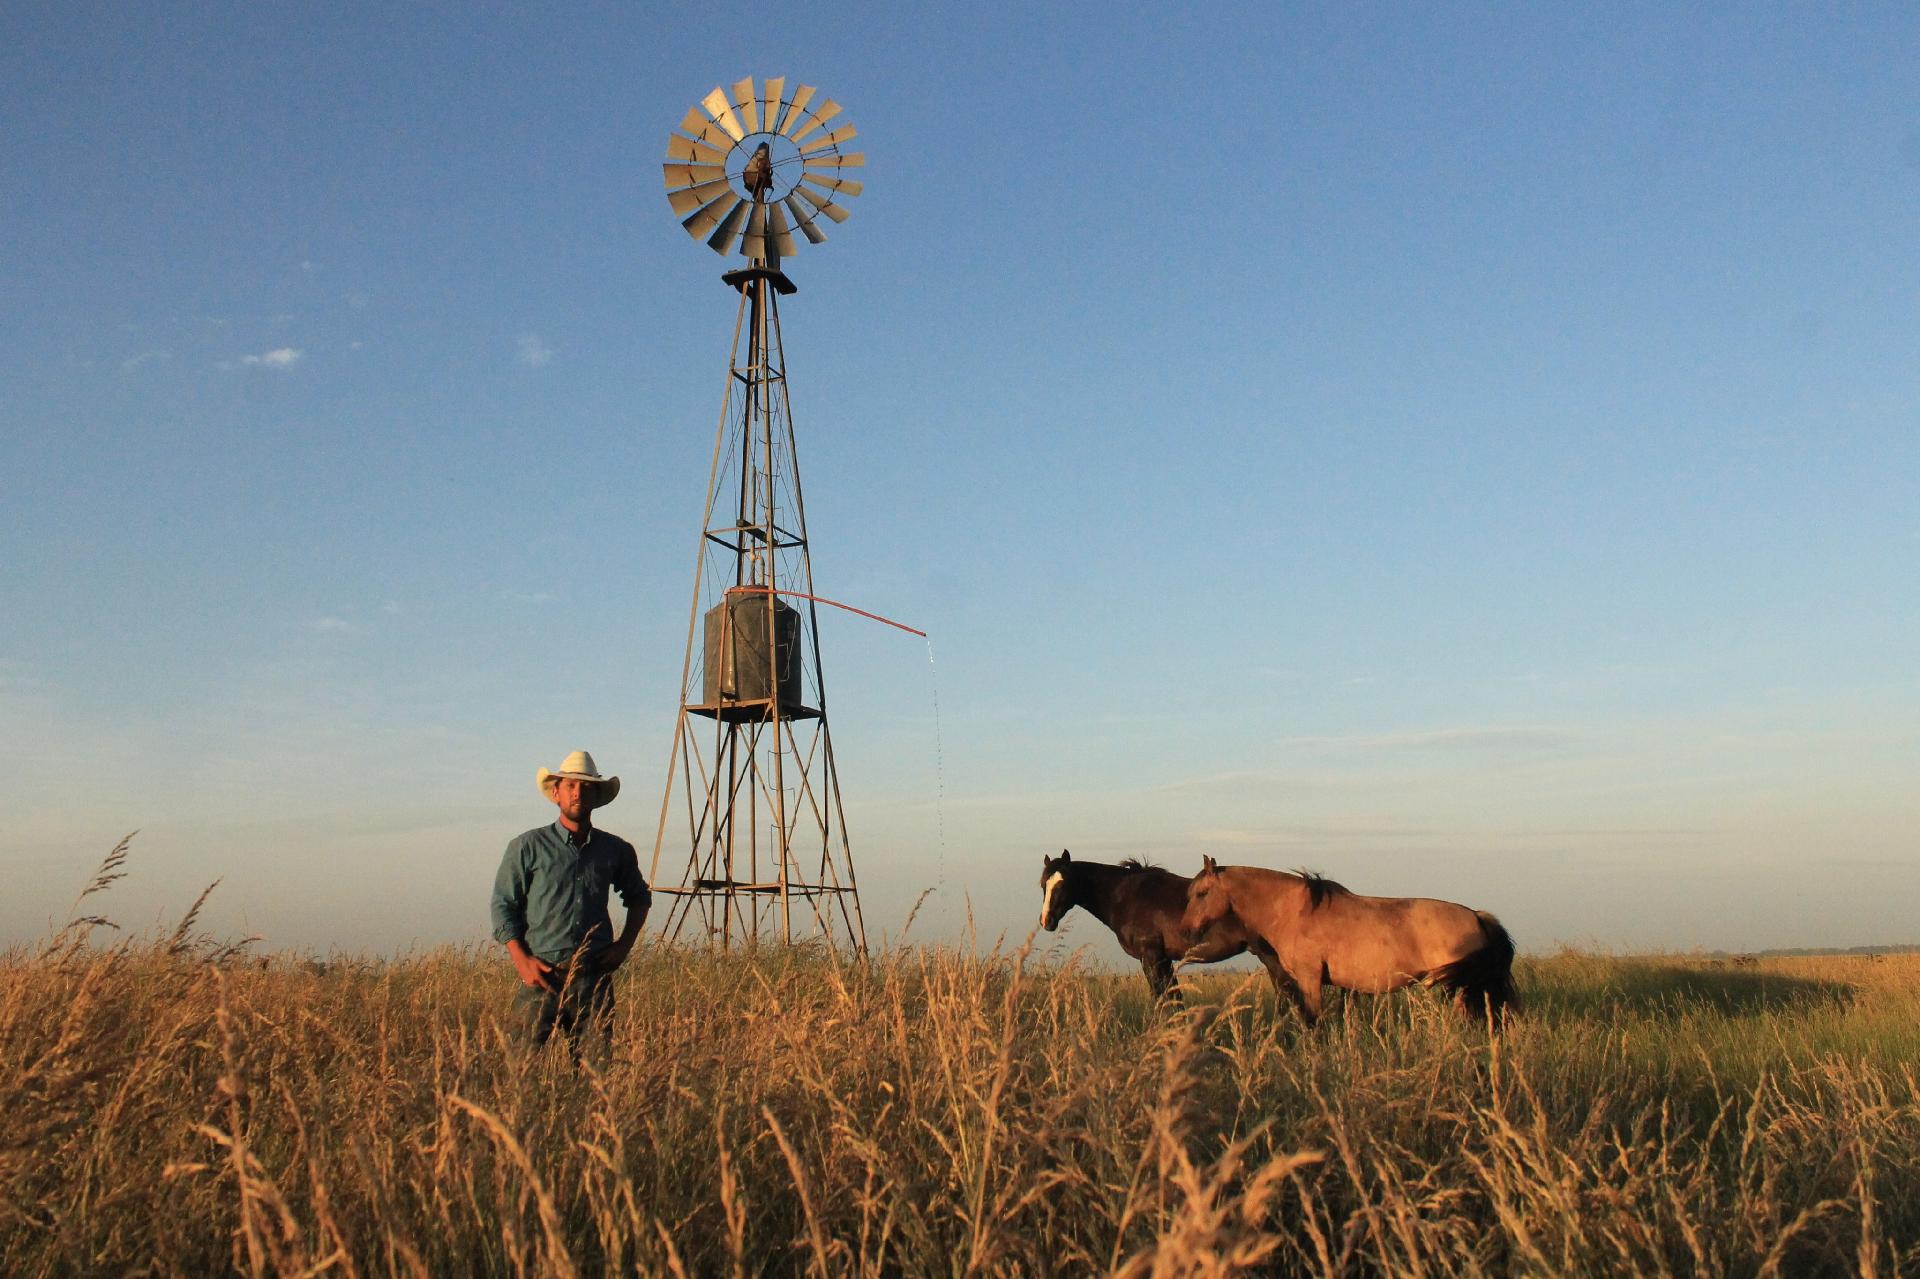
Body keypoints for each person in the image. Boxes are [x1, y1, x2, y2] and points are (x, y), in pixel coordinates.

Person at [490, 750, 650, 1063]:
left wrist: (623, 947)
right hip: (541, 978)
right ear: (556, 792)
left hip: (593, 979)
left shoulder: (615, 850)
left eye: (587, 786)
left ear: (597, 795)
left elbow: (639, 898)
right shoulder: (527, 847)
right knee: (518, 1074)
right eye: (571, 786)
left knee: (596, 1080)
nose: (578, 792)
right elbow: (502, 905)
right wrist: (523, 962)